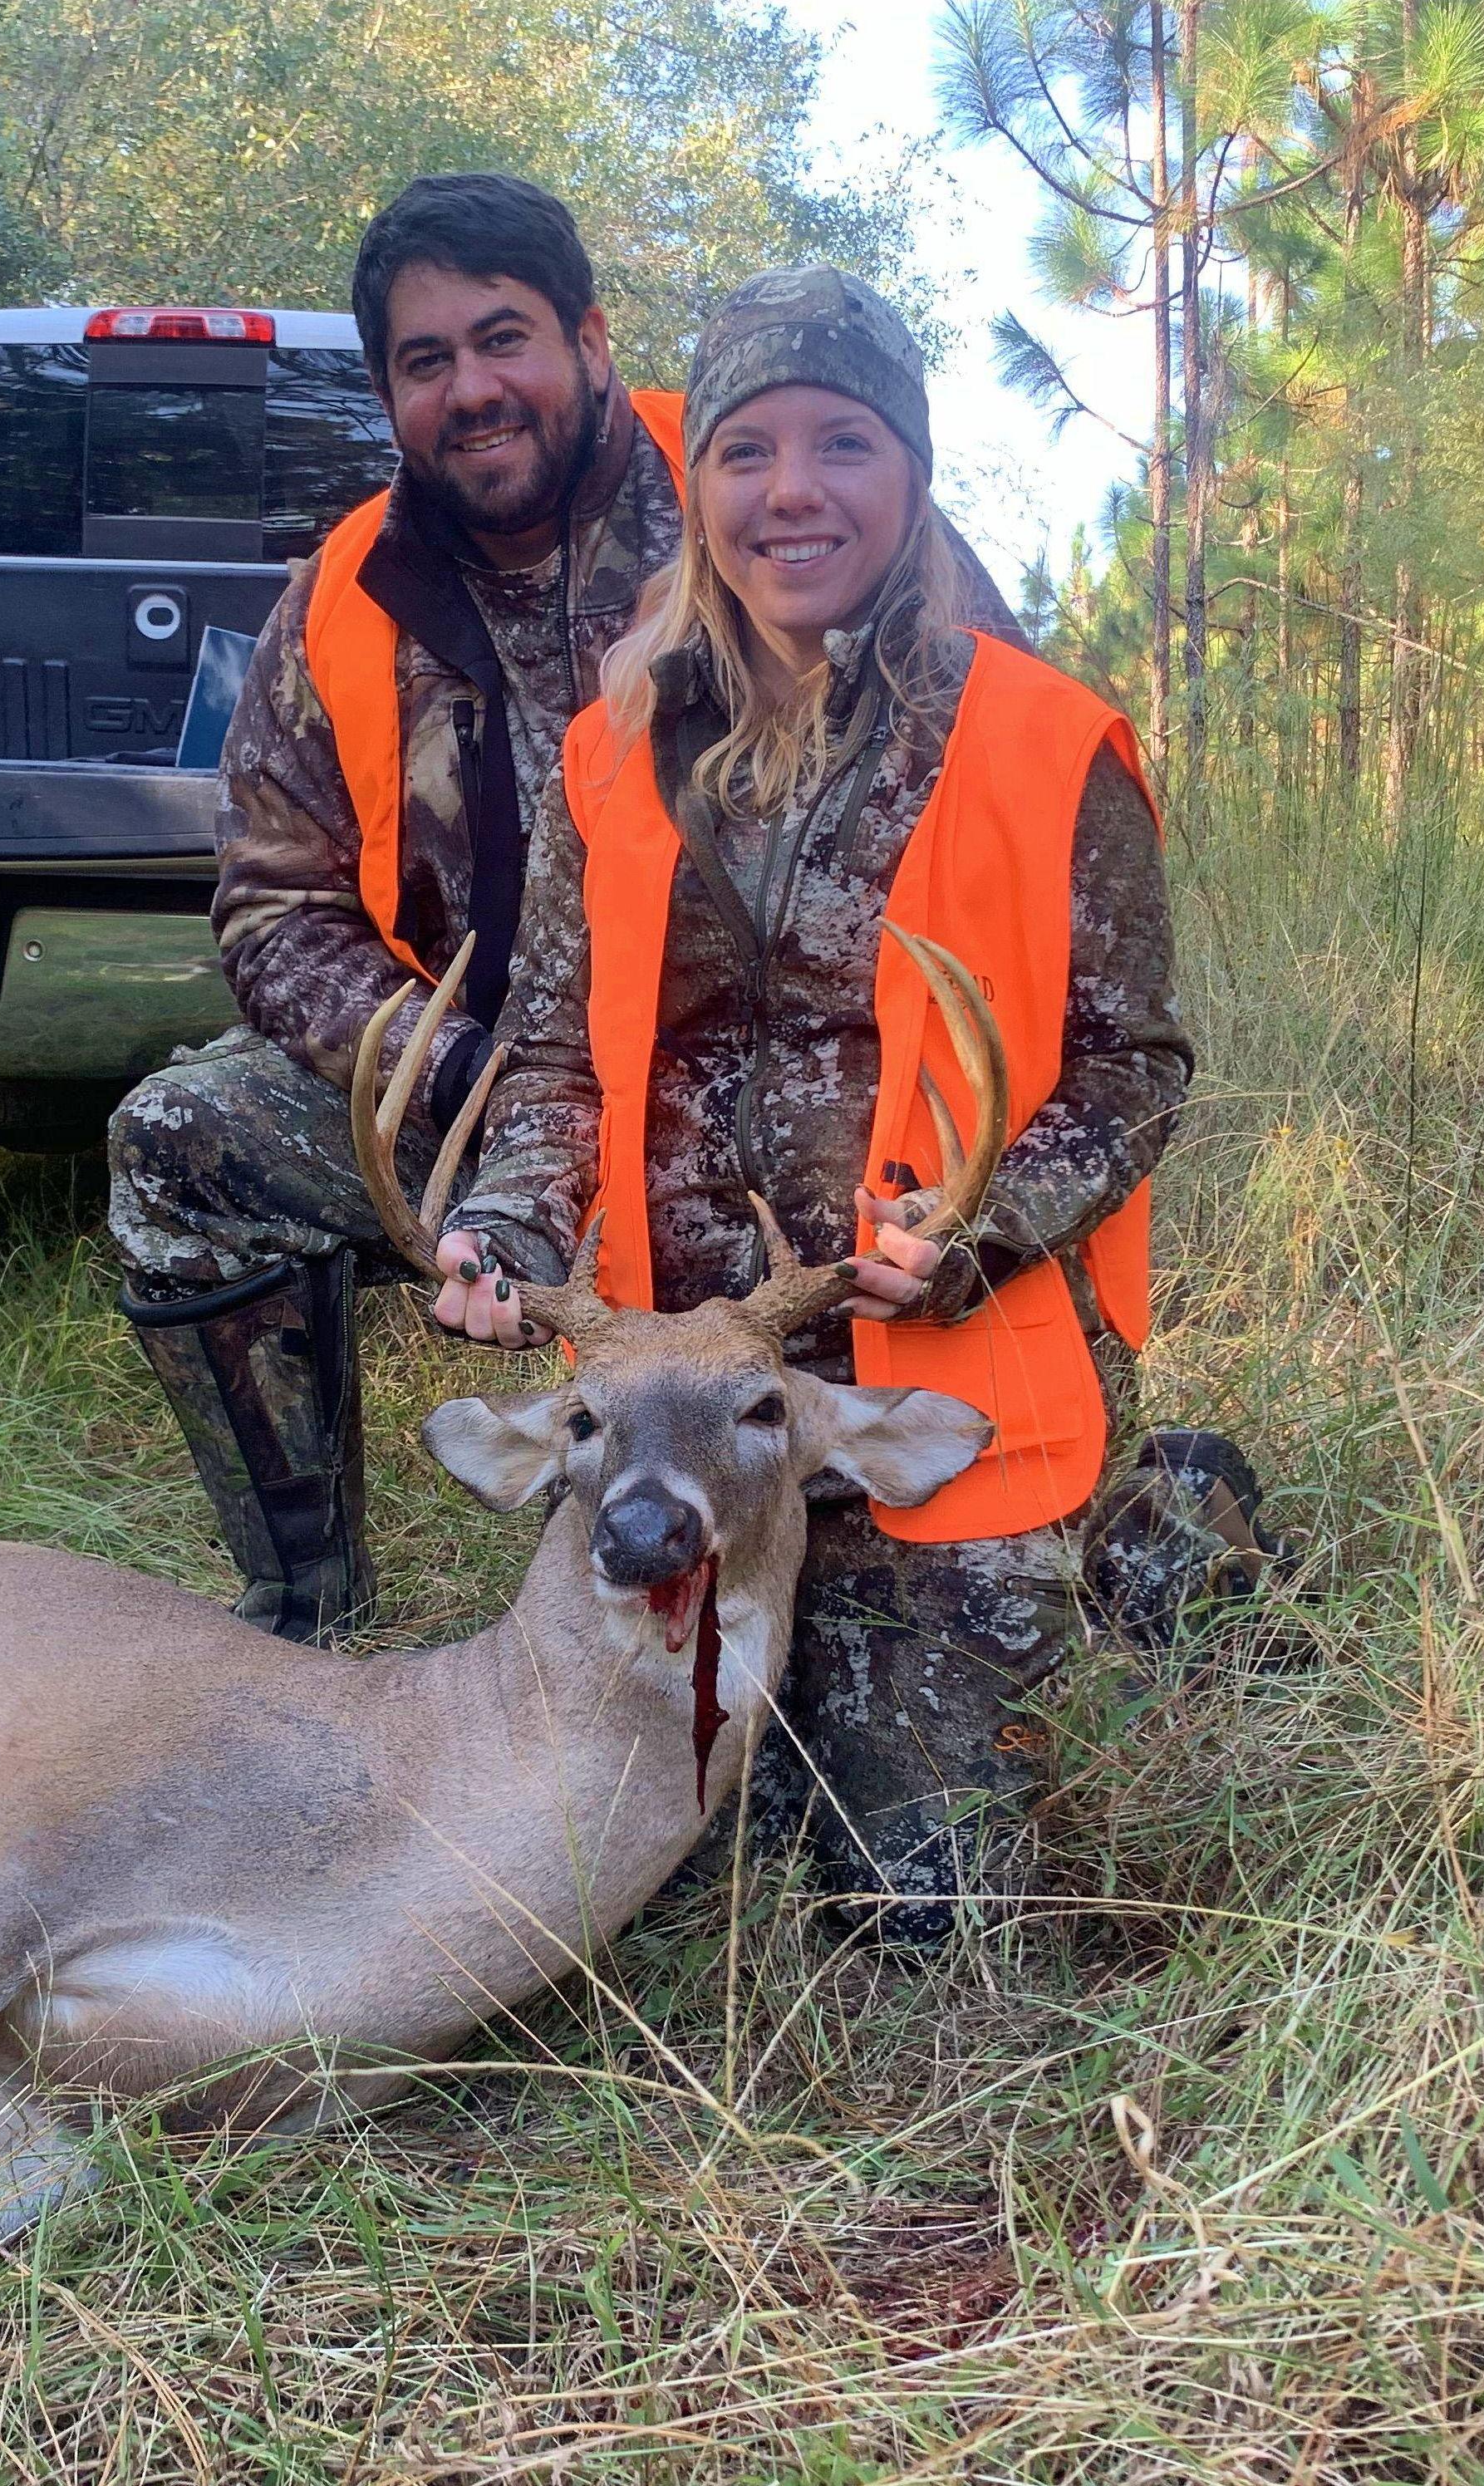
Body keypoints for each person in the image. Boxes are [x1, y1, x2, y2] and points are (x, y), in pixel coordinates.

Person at [108, 179, 1022, 1643]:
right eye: (426, 361)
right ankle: (304, 1603)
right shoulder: (343, 599)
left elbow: (995, 772)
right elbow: (273, 904)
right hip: (501, 1093)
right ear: (389, 388)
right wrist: (468, 1083)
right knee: (177, 1143)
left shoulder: (762, 485)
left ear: (589, 339)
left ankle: (1004, 1522)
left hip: (781, 1097)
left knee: (863, 1637)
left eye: (503, 338)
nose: (473, 389)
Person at [438, 267, 1194, 1938]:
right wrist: (504, 1220)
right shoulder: (611, 751)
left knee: (919, 1903)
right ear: (695, 487)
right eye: (746, 451)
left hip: (933, 1407)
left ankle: (1169, 1508)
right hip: (681, 1408)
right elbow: (559, 1054)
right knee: (620, 1871)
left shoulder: (1045, 741)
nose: (793, 492)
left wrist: (983, 1228)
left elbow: (1136, 1063)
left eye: (843, 443)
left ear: (910, 471)